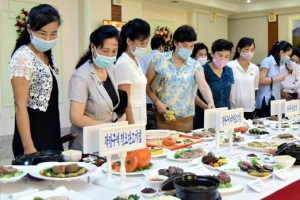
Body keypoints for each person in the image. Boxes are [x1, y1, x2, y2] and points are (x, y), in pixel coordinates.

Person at [9, 4, 63, 157]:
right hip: (33, 136)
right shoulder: (22, 58)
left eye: (53, 34)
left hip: (51, 130)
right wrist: (28, 147)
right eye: (42, 33)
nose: (48, 39)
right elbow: (20, 105)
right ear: (29, 29)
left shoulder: (48, 55)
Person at [146, 25, 215, 133]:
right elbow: (147, 85)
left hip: (186, 120)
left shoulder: (194, 65)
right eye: (184, 45)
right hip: (164, 118)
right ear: (175, 43)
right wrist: (157, 103)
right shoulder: (159, 60)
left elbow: (203, 85)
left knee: (185, 148)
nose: (188, 49)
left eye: (191, 46)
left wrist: (210, 101)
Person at [68, 25, 126, 151]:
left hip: (108, 140)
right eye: (105, 51)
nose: (110, 55)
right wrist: (108, 127)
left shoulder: (110, 68)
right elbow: (76, 117)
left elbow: (111, 103)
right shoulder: (81, 76)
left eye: (114, 51)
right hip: (86, 142)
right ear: (93, 48)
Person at [115, 18, 150, 125]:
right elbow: (125, 102)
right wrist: (132, 126)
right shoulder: (124, 63)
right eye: (141, 43)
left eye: (146, 43)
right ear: (129, 41)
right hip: (131, 120)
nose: (144, 47)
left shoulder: (135, 60)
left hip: (140, 117)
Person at [193, 39, 234, 129]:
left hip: (224, 115)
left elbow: (229, 91)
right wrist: (207, 107)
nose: (223, 59)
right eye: (220, 55)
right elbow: (193, 94)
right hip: (205, 115)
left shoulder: (229, 70)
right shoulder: (202, 70)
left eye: (227, 56)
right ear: (212, 54)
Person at [255, 40, 293, 118]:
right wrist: (279, 78)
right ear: (282, 52)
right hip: (265, 101)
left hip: (275, 100)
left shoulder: (278, 64)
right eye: (288, 55)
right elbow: (261, 80)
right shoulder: (267, 61)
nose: (288, 58)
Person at [227, 37, 259, 120]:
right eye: (246, 49)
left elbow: (255, 89)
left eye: (252, 50)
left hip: (250, 109)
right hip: (233, 109)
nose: (249, 52)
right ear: (239, 49)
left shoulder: (255, 68)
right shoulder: (230, 66)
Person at [139, 36, 166, 130]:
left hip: (144, 98)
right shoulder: (163, 58)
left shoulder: (143, 58)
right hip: (156, 99)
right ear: (161, 47)